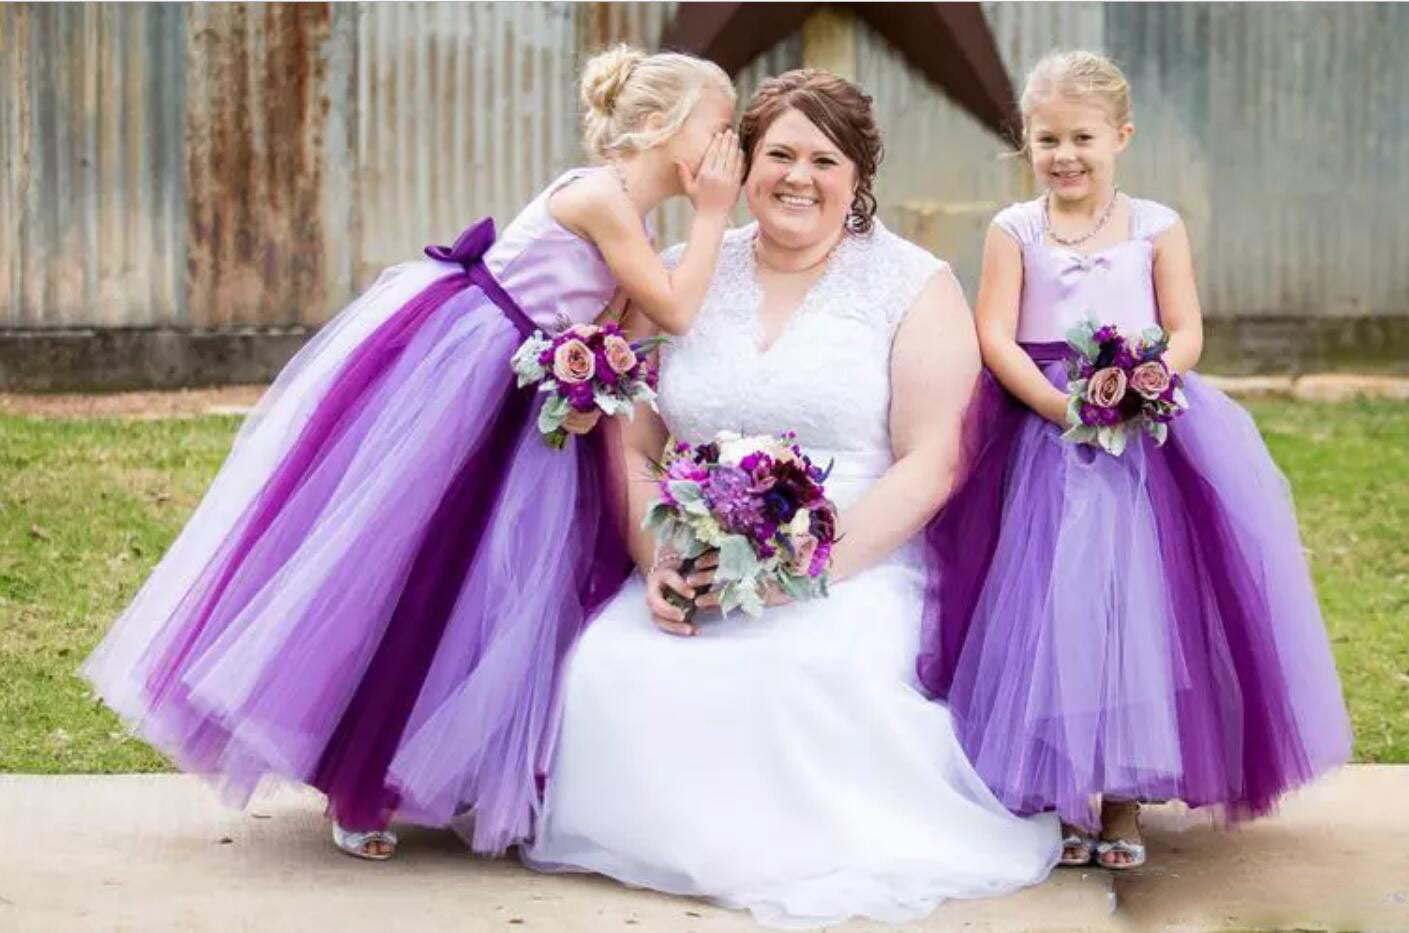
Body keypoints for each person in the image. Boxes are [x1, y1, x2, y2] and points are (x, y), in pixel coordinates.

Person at [81, 44, 743, 861]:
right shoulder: (599, 196)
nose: (729, 153)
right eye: (720, 130)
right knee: (410, 574)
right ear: (654, 126)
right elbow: (676, 308)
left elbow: (630, 326)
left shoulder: (632, 218)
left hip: (528, 405)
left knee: (484, 593)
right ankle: (357, 780)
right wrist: (713, 216)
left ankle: (441, 771)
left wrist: (600, 369)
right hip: (466, 387)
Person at [523, 69, 1060, 929]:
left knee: (801, 673)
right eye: (776, 153)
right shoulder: (684, 271)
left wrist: (805, 571)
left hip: (857, 549)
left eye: (823, 158)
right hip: (693, 542)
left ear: (857, 176)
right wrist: (650, 554)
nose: (797, 176)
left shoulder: (911, 284)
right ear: (738, 163)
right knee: (606, 668)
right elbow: (627, 437)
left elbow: (931, 461)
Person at [919, 49, 1352, 870]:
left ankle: (1122, 799)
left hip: (1144, 439)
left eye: (1082, 137)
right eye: (1046, 139)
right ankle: (1059, 795)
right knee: (1047, 608)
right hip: (1039, 437)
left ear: (1120, 135)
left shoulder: (1155, 225)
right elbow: (993, 334)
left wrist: (1150, 379)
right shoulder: (1014, 229)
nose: (1064, 155)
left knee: (1135, 611)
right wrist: (1057, 405)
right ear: (1025, 141)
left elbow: (1185, 326)